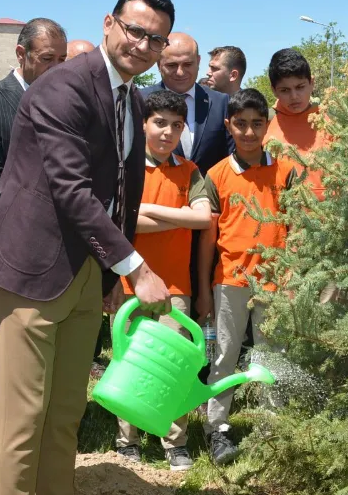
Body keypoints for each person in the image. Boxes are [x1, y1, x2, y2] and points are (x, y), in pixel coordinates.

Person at [0, 0, 175, 495]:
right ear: (109, 24)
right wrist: (137, 269)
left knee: (63, 416)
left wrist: (111, 273)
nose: (143, 44)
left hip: (86, 273)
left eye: (154, 38)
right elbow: (72, 190)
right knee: (20, 426)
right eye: (135, 30)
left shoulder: (133, 99)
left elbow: (122, 197)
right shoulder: (61, 87)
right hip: (30, 271)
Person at [0, 17, 68, 461]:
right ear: (22, 55)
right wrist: (62, 192)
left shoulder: (67, 104)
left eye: (63, 60)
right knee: (1, 347)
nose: (58, 69)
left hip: (58, 249)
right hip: (5, 244)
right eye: (49, 60)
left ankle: (40, 441)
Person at [196, 88, 295, 465]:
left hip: (276, 280)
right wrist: (206, 288)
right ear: (229, 126)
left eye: (257, 124)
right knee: (224, 355)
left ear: (267, 125)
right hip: (230, 281)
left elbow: (297, 226)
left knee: (273, 355)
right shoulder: (218, 174)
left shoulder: (285, 170)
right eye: (241, 124)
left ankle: (272, 428)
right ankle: (217, 429)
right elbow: (208, 238)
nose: (249, 132)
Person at [113, 90, 211, 471]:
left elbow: (204, 219)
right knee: (130, 361)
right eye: (159, 123)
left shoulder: (190, 171)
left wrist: (147, 210)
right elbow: (120, 222)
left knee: (173, 365)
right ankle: (128, 438)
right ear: (143, 124)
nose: (168, 132)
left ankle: (174, 441)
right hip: (129, 283)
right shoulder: (126, 167)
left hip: (175, 288)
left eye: (176, 124)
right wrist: (177, 213)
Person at [141, 32, 231, 176]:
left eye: (188, 64)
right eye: (172, 65)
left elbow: (230, 157)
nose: (180, 72)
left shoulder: (221, 103)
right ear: (158, 64)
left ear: (199, 61)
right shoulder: (139, 100)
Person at [266, 48, 327, 199]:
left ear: (311, 83)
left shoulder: (330, 122)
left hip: (328, 218)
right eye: (285, 90)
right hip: (278, 216)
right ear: (274, 90)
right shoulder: (264, 124)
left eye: (300, 87)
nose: (294, 96)